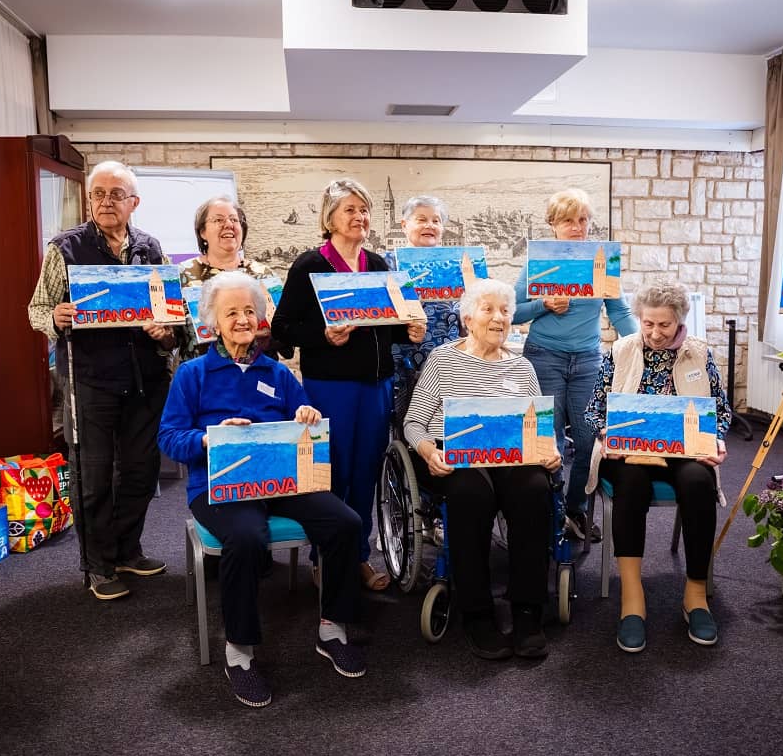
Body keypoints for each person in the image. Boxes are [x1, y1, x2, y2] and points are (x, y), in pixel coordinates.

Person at [159, 272, 366, 708]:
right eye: (231, 312)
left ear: (260, 319)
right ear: (213, 322)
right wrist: (207, 437)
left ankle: (333, 628)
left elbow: (304, 416)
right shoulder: (193, 374)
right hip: (219, 484)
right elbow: (169, 438)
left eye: (249, 311)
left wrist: (306, 413)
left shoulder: (277, 372)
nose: (242, 319)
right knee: (247, 536)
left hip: (281, 476)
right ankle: (240, 651)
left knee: (346, 523)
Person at [27, 160, 181, 601]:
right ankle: (97, 564)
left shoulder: (151, 249)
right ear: (89, 199)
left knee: (140, 471)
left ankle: (127, 550)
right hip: (90, 380)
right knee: (92, 477)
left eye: (116, 194)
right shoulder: (65, 248)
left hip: (146, 379)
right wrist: (55, 318)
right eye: (98, 194)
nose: (106, 201)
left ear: (134, 202)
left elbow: (170, 315)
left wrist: (165, 333)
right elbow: (37, 310)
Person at [271, 178, 425, 592]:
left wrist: (408, 331)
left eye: (364, 209)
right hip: (330, 386)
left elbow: (388, 325)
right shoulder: (309, 265)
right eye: (350, 210)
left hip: (377, 384)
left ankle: (357, 556)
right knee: (332, 472)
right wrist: (323, 335)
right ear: (329, 218)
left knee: (365, 473)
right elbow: (282, 327)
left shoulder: (378, 264)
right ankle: (324, 558)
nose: (360, 217)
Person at [403, 278, 562, 660]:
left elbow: (541, 428)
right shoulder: (443, 359)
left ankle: (527, 610)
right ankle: (477, 612)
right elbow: (413, 423)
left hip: (510, 456)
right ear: (468, 318)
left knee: (534, 488)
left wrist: (551, 451)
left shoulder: (522, 367)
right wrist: (428, 452)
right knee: (470, 493)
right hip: (453, 456)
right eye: (488, 309)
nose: (498, 318)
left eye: (505, 311)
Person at [584, 280, 731, 652]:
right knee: (631, 482)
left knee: (699, 483)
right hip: (629, 456)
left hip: (684, 453)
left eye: (664, 325)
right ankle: (632, 598)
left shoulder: (699, 353)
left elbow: (721, 411)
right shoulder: (621, 351)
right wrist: (606, 433)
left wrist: (716, 439)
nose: (654, 333)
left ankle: (695, 595)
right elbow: (593, 410)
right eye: (647, 323)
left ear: (679, 320)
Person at [513, 188, 637, 543]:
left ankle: (576, 509)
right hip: (543, 358)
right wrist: (544, 305)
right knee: (547, 441)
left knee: (587, 442)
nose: (577, 227)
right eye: (568, 220)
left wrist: (643, 346)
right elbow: (512, 313)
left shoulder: (602, 262)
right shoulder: (538, 263)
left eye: (582, 220)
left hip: (588, 361)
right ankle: (551, 511)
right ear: (553, 224)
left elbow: (620, 312)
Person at [180, 196, 289, 358]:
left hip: (258, 369)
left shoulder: (265, 275)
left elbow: (284, 336)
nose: (228, 225)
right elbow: (170, 341)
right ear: (202, 232)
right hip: (202, 371)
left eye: (234, 220)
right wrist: (162, 335)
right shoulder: (182, 275)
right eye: (218, 220)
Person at [390, 196, 462, 416]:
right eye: (421, 219)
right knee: (400, 421)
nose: (430, 225)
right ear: (404, 225)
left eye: (436, 221)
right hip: (399, 360)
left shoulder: (456, 265)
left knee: (441, 422)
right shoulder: (386, 264)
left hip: (447, 361)